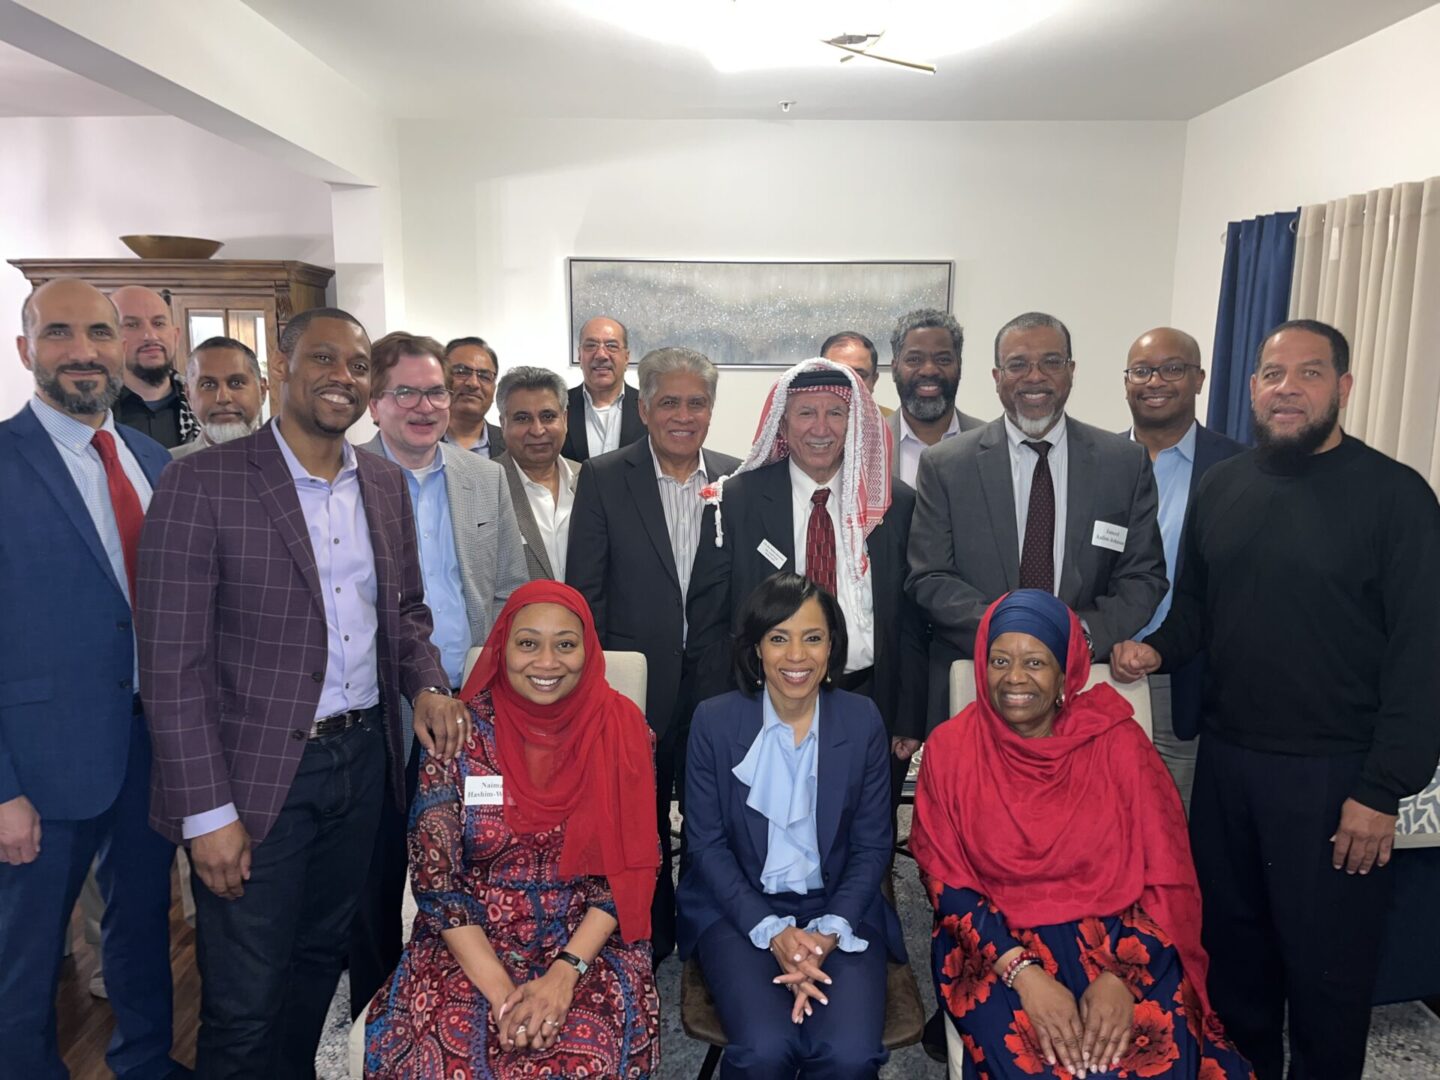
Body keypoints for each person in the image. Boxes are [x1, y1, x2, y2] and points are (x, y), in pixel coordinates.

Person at [136, 306, 469, 1078]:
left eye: (357, 367)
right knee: (245, 997)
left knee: (319, 964)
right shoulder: (202, 482)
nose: (342, 379)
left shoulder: (383, 484)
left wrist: (423, 684)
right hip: (254, 782)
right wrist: (207, 813)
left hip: (360, 764)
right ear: (282, 368)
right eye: (324, 360)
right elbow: (170, 666)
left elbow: (408, 612)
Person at [1111, 319, 1440, 1080]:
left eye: (1309, 373)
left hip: (1335, 781)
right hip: (1227, 766)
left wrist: (1381, 791)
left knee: (1328, 976)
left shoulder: (1398, 499)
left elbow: (1423, 658)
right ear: (1252, 388)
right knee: (1235, 958)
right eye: (1271, 374)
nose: (1286, 388)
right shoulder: (1225, 486)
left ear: (1343, 388)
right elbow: (1195, 610)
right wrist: (1154, 648)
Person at [910, 590, 1252, 1080]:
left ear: (1064, 675)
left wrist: (1122, 978)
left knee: (1154, 1058)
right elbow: (947, 884)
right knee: (1044, 1067)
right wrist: (1024, 976)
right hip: (997, 945)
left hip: (1121, 936)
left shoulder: (1116, 741)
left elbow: (1166, 874)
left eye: (1036, 662)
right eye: (1000, 660)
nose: (1014, 678)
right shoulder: (951, 750)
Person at [0, 278, 184, 1080]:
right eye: (61, 333)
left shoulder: (151, 459)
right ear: (24, 349)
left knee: (142, 922)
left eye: (100, 334)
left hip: (152, 742)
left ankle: (145, 1063)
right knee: (25, 955)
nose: (84, 352)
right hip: (40, 766)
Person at [364, 581, 661, 1078]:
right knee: (446, 1056)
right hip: (469, 941)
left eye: (565, 644)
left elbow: (628, 874)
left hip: (584, 943)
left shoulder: (624, 732)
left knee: (586, 1058)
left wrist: (564, 977)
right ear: (503, 648)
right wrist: (505, 997)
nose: (547, 661)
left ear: (587, 651)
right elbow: (437, 885)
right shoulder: (457, 738)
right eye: (528, 643)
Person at [351, 330, 529, 1018]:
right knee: (376, 862)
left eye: (436, 392)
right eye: (407, 392)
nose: (425, 407)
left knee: (471, 851)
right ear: (375, 402)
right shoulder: (346, 474)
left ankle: (471, 984)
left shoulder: (485, 476)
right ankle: (378, 996)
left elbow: (512, 587)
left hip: (473, 698)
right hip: (379, 703)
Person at [678, 571, 905, 1079]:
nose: (796, 656)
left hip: (839, 909)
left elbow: (872, 847)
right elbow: (707, 847)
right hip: (739, 911)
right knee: (764, 1049)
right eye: (778, 638)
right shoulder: (714, 722)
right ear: (756, 649)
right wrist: (775, 932)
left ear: (832, 648)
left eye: (813, 637)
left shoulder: (862, 719)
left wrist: (825, 933)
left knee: (849, 1055)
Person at [906, 311, 1167, 729]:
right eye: (1017, 364)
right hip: (976, 685)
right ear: (996, 376)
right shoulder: (946, 465)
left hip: (1083, 682)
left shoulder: (1123, 463)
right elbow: (930, 577)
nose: (1034, 377)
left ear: (1071, 371)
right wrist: (1011, 636)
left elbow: (1144, 576)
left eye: (1051, 361)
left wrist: (1080, 634)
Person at [566, 346, 740, 966]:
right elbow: (585, 592)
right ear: (644, 408)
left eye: (697, 403)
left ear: (712, 411)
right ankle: (650, 930)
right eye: (670, 401)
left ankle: (704, 929)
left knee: (711, 819)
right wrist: (597, 689)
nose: (684, 415)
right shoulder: (606, 477)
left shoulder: (735, 478)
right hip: (633, 689)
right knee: (638, 820)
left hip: (718, 690)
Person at [687, 358, 928, 807]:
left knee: (860, 838)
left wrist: (908, 716)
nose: (821, 428)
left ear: (853, 422)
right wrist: (721, 715)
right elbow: (708, 623)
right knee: (768, 837)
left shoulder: (896, 506)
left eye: (835, 413)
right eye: (805, 413)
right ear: (782, 422)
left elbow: (911, 622)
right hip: (762, 700)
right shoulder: (734, 503)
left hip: (870, 698)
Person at [1120, 327, 1243, 808]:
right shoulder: (1094, 461)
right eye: (1142, 370)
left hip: (1189, 677)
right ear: (1126, 381)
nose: (1156, 381)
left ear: (1199, 379)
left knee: (1175, 822)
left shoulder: (1237, 469)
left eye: (1173, 369)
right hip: (1102, 669)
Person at [495, 366, 581, 580]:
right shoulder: (484, 487)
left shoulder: (590, 480)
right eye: (522, 418)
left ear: (565, 420)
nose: (537, 430)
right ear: (503, 423)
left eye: (548, 416)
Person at [886, 308, 985, 486]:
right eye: (915, 359)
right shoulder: (866, 444)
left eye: (943, 360)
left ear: (959, 367)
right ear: (894, 369)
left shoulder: (992, 442)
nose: (929, 370)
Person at [111, 284, 199, 449]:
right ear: (110, 337)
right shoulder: (93, 413)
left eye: (158, 323)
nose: (150, 336)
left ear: (176, 336)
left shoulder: (202, 403)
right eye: (132, 325)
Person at [561, 314, 644, 462]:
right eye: (591, 345)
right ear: (580, 356)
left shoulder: (649, 408)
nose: (601, 355)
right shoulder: (558, 407)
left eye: (611, 346)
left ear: (626, 357)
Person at [171, 336, 269, 460]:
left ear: (262, 390)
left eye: (236, 383)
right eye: (208, 385)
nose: (223, 398)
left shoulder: (293, 460)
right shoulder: (165, 467)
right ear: (189, 395)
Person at [443, 335, 503, 458]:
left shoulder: (513, 445)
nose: (473, 383)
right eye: (461, 372)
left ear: (494, 388)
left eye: (484, 376)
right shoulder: (419, 440)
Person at [820, 330, 891, 417]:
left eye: (859, 376)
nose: (848, 384)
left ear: (873, 381)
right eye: (837, 375)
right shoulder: (802, 425)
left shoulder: (892, 426)